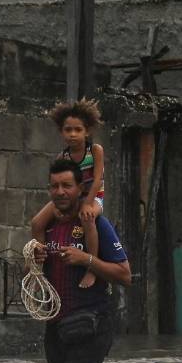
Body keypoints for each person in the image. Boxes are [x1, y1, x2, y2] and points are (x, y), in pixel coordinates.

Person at [33, 158, 132, 363]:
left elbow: (124, 274)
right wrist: (33, 261)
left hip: (92, 321)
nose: (60, 192)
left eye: (67, 185)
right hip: (56, 324)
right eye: (54, 186)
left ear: (80, 189)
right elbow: (30, 273)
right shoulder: (48, 226)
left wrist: (86, 259)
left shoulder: (96, 224)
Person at [31, 99, 107, 289]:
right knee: (37, 222)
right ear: (61, 131)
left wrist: (89, 203)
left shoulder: (95, 150)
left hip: (93, 196)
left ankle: (92, 266)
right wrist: (57, 207)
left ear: (87, 131)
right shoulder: (62, 157)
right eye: (68, 130)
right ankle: (39, 265)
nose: (73, 134)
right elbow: (60, 186)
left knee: (87, 218)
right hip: (73, 197)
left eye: (78, 130)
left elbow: (98, 179)